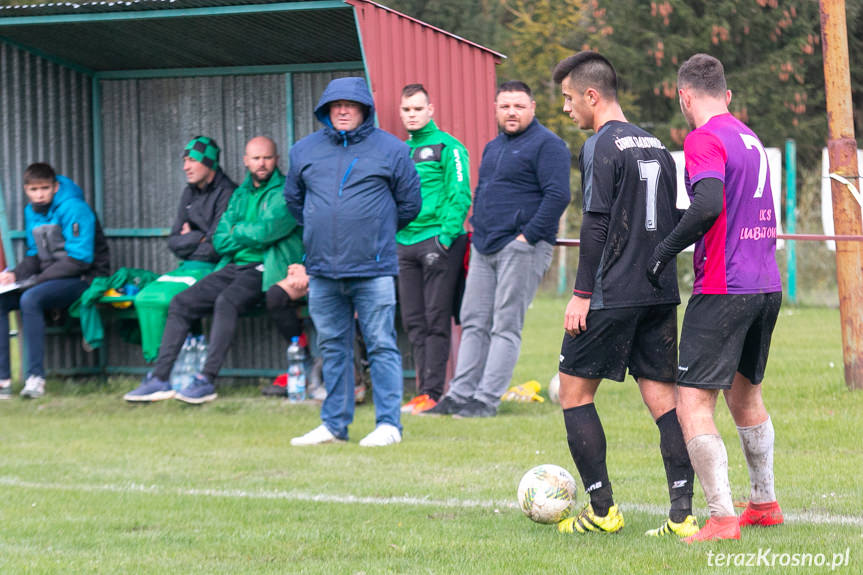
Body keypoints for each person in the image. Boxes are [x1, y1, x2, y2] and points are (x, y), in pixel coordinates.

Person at [549, 52, 696, 538]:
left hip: (612, 292)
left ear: (593, 95)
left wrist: (581, 293)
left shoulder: (600, 145)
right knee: (663, 400)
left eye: (569, 99)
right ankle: (682, 515)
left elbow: (595, 225)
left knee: (573, 393)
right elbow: (676, 218)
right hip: (657, 293)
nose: (566, 109)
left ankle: (602, 511)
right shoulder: (655, 144)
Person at [647, 53, 784, 542]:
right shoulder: (748, 135)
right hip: (766, 282)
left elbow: (707, 204)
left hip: (725, 286)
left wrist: (663, 249)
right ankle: (764, 503)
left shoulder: (703, 137)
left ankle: (723, 517)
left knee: (692, 401)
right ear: (725, 95)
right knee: (745, 395)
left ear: (685, 96)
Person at [284, 77, 422, 447]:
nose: (343, 110)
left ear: (365, 109)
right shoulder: (303, 150)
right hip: (322, 270)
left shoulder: (391, 149)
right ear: (326, 110)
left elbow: (410, 205)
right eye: (336, 104)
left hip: (373, 268)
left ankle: (389, 425)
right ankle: (333, 426)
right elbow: (295, 203)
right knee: (332, 346)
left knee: (381, 343)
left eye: (351, 104)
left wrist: (373, 233)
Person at [424, 81, 570, 418]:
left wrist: (527, 237)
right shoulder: (493, 147)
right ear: (496, 109)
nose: (512, 112)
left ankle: (485, 400)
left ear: (532, 107)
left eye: (518, 105)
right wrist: (477, 229)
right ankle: (460, 396)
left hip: (521, 248)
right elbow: (484, 192)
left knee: (505, 325)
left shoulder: (549, 146)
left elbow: (558, 196)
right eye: (505, 106)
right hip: (484, 246)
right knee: (473, 321)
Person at [124, 136, 303, 404]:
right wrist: (241, 234)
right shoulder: (240, 194)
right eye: (256, 158)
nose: (262, 164)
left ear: (277, 160)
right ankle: (159, 379)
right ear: (246, 161)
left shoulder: (286, 191)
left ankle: (206, 380)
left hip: (267, 266)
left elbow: (268, 231)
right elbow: (220, 238)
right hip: (234, 265)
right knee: (182, 302)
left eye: (267, 158)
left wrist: (237, 231)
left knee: (226, 301)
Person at [0, 163, 110, 399]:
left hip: (85, 277)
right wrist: (16, 275)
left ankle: (35, 379)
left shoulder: (74, 207)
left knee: (31, 298)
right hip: (51, 277)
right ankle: (3, 382)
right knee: (1, 300)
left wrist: (37, 280)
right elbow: (34, 254)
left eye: (44, 188)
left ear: (55, 186)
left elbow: (80, 260)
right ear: (25, 190)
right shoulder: (32, 211)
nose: (39, 195)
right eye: (33, 189)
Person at [396, 83, 471, 415]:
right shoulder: (400, 150)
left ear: (430, 110)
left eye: (417, 108)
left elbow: (460, 193)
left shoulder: (448, 146)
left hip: (437, 241)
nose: (412, 114)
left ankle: (432, 393)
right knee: (413, 320)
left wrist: (446, 236)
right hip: (403, 243)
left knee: (435, 319)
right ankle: (420, 392)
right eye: (406, 109)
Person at [133, 136, 235, 362]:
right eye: (184, 160)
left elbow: (218, 246)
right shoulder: (189, 192)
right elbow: (173, 242)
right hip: (186, 266)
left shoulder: (227, 193)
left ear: (208, 163)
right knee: (144, 297)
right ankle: (157, 363)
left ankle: (169, 365)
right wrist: (199, 238)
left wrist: (192, 237)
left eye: (191, 160)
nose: (185, 167)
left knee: (164, 299)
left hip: (215, 268)